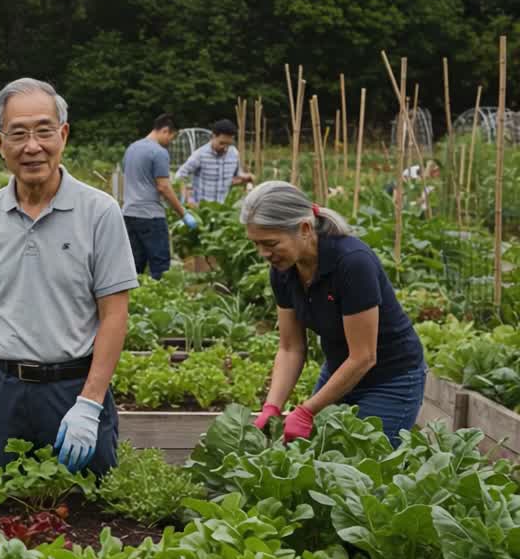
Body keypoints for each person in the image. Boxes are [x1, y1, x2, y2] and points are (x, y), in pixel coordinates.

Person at [0, 78, 139, 476]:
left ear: (63, 135)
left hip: (73, 388)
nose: (32, 146)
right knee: (14, 514)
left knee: (90, 516)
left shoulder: (99, 212)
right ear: (0, 143)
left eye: (44, 131)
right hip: (5, 391)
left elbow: (115, 314)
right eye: (18, 134)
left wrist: (89, 403)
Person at [243, 181, 426, 447]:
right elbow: (291, 347)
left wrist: (306, 410)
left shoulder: (352, 262)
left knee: (367, 468)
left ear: (304, 229)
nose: (263, 253)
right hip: (341, 370)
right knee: (315, 457)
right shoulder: (283, 270)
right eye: (256, 244)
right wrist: (272, 406)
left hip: (390, 379)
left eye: (270, 243)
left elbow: (364, 356)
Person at [120, 113, 197, 279]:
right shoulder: (159, 152)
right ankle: (161, 302)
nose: (170, 142)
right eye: (172, 137)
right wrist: (183, 214)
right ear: (165, 130)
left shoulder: (132, 148)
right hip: (151, 216)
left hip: (128, 214)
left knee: (134, 266)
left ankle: (135, 301)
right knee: (160, 267)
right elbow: (163, 187)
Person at [176, 119, 252, 205]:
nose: (225, 148)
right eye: (222, 143)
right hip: (202, 209)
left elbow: (234, 177)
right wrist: (188, 199)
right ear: (213, 136)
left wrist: (245, 178)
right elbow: (180, 175)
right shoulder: (200, 155)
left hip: (224, 209)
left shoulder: (234, 153)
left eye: (229, 144)